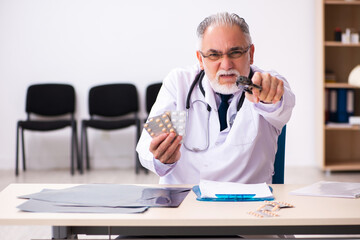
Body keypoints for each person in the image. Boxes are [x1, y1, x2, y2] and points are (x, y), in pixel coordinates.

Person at [136, 12, 295, 185]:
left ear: (251, 53)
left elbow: (282, 104)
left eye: (235, 52)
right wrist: (161, 158)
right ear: (200, 59)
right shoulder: (179, 83)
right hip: (185, 202)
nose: (226, 65)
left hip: (247, 204)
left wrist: (269, 96)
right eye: (214, 55)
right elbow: (146, 148)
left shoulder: (267, 83)